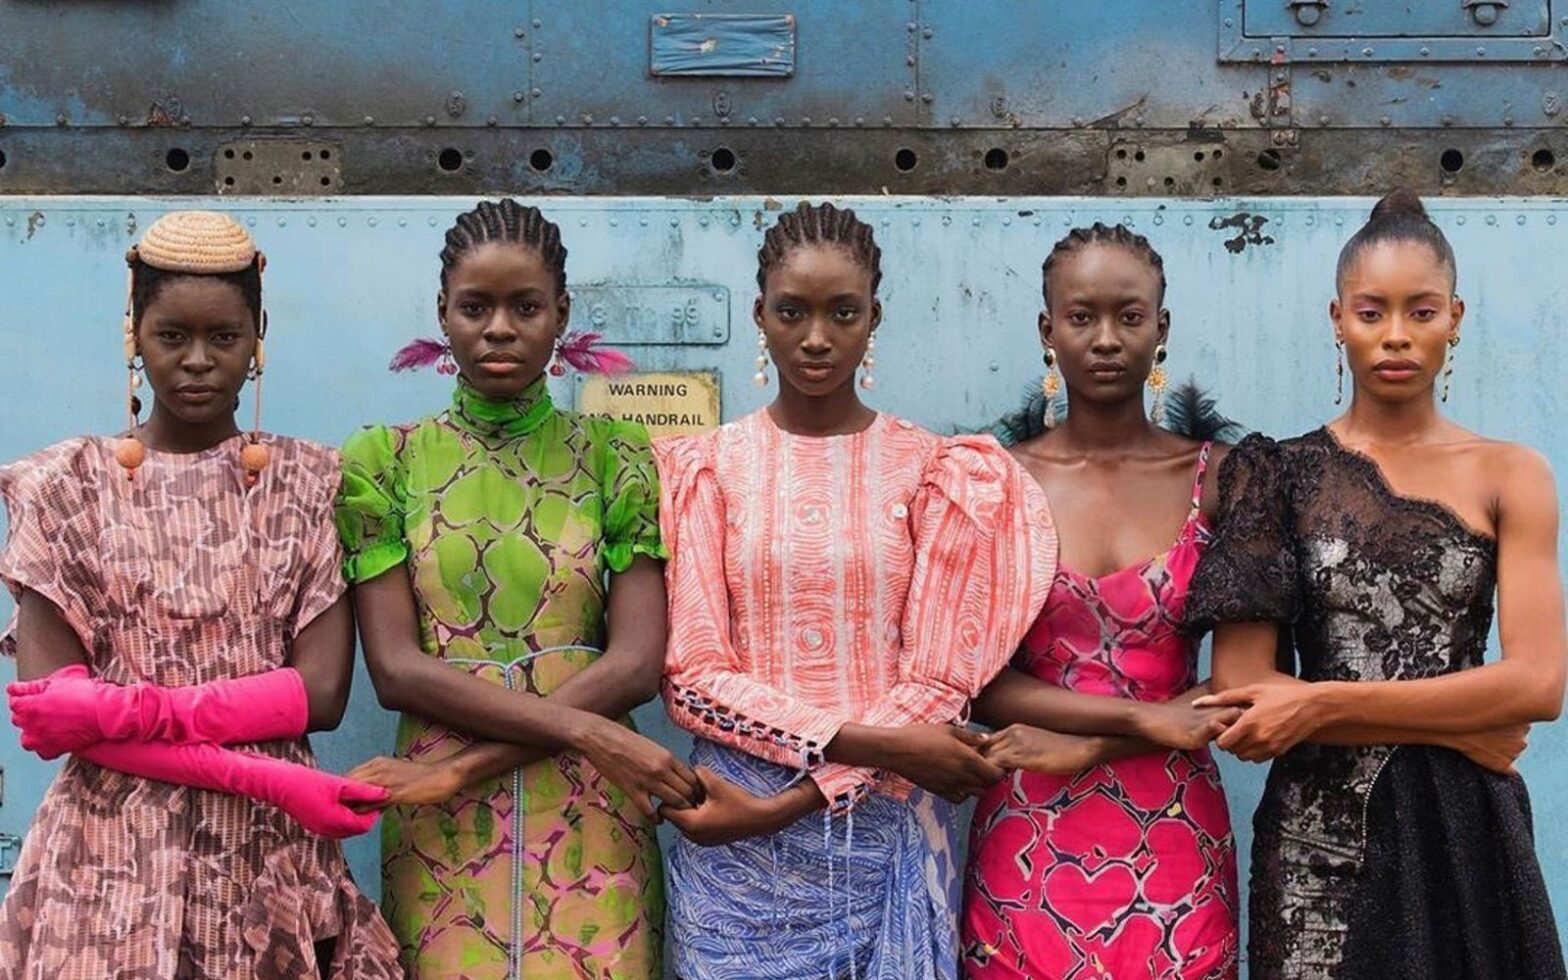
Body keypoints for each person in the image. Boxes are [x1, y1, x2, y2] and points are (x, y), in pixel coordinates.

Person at [653, 201, 1057, 979]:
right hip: (733, 843)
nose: (815, 338)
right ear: (758, 316)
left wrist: (802, 795)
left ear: (875, 318)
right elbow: (694, 677)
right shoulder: (706, 468)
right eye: (792, 312)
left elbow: (940, 680)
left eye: (843, 313)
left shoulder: (939, 471)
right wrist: (868, 747)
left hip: (888, 832)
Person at [0, 211, 400, 978]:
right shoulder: (63, 489)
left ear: (258, 338)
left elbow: (320, 694)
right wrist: (260, 767)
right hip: (107, 858)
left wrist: (133, 708)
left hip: (266, 851)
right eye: (170, 336)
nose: (196, 362)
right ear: (134, 335)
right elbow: (55, 716)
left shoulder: (307, 484)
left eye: (224, 338)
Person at [1188, 189, 1567, 979]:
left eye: (1421, 312)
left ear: (1455, 317)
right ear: (1337, 318)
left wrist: (1320, 701)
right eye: (1371, 313)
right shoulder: (1277, 474)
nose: (1396, 335)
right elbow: (1244, 697)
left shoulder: (1512, 474)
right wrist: (1456, 721)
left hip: (1464, 826)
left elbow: (1539, 683)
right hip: (1319, 844)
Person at [336, 198, 690, 978]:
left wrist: (466, 767)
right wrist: (592, 730)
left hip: (592, 815)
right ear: (443, 313)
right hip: (443, 826)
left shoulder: (618, 456)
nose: (499, 327)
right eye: (476, 306)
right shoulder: (384, 462)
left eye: (525, 306)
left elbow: (636, 661)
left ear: (560, 314)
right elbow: (396, 671)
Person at [962, 223, 1241, 980]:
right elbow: (977, 682)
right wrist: (1143, 717)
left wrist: (1093, 745)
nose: (1107, 339)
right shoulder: (997, 481)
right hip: (1029, 832)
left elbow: (1252, 682)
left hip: (1178, 839)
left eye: (1130, 315)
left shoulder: (1222, 479)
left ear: (1162, 327)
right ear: (1047, 329)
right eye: (1082, 317)